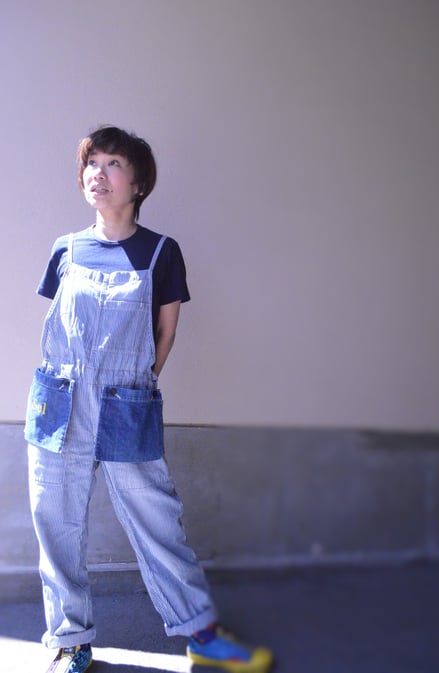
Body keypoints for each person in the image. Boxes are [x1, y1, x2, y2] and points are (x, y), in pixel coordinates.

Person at [24, 125, 273, 673]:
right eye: (92, 163)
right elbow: (60, 328)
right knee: (56, 525)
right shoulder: (66, 249)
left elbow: (166, 333)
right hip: (59, 401)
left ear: (139, 183)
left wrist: (135, 384)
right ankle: (69, 641)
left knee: (158, 521)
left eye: (113, 163)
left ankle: (201, 635)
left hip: (126, 400)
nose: (98, 173)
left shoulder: (161, 251)